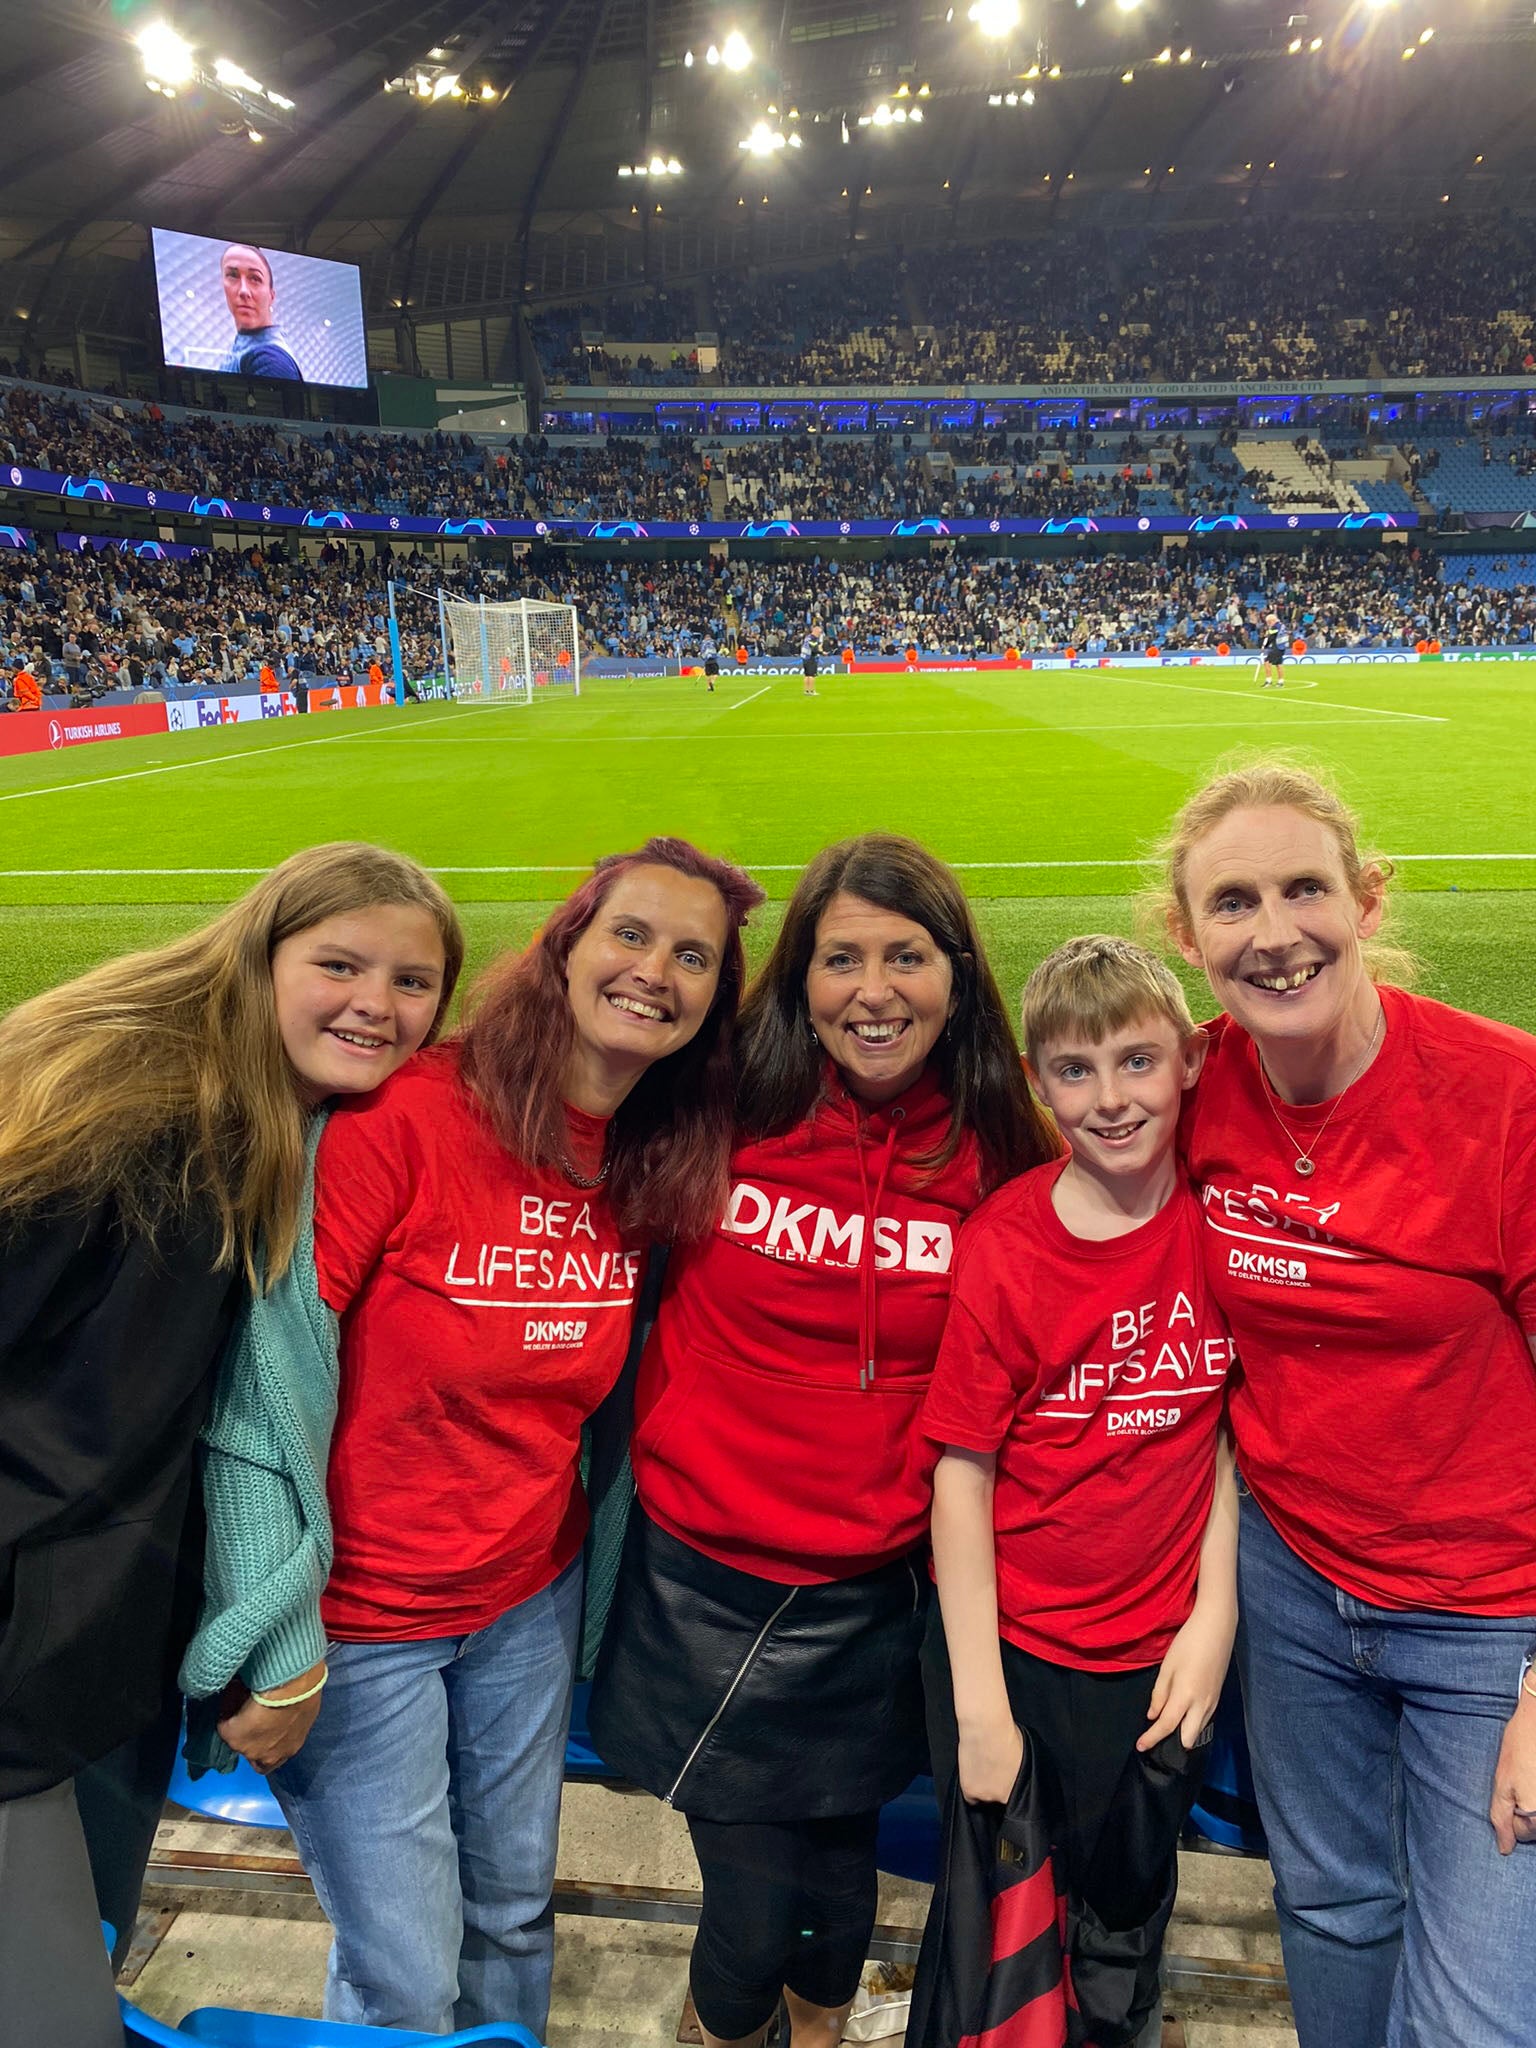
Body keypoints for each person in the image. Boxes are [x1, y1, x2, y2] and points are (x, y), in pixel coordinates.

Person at [268, 838, 764, 2037]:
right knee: (403, 1969)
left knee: (511, 1912)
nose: (656, 971)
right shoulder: (410, 1115)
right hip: (362, 1617)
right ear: (567, 945)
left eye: (693, 955)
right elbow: (268, 1375)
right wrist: (272, 1627)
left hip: (524, 1602)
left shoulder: (652, 1154)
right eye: (630, 934)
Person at [591, 833, 1058, 2048]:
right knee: (753, 1919)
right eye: (841, 957)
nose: (874, 989)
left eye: (907, 955)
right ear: (799, 979)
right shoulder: (716, 1104)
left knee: (841, 1903)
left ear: (956, 975)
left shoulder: (1005, 1146)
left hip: (873, 1598)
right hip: (703, 1586)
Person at [0, 843, 463, 2048]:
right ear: (260, 956)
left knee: (84, 1953)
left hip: (102, 1647)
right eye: (340, 965)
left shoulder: (261, 1123)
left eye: (414, 982)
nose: (377, 1003)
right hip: (28, 1664)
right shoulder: (132, 1115)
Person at [1163, 762, 1536, 2047]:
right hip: (1294, 1584)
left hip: (1491, 1618)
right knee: (1330, 1910)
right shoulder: (1195, 1083)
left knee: (1478, 2017)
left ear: (1367, 900)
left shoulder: (1505, 1096)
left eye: (1305, 888)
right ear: (1188, 934)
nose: (1274, 932)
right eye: (1233, 902)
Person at [923, 936, 1237, 2048]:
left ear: (1190, 1060)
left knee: (1125, 1924)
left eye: (1137, 1061)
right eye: (1075, 1069)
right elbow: (960, 1474)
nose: (1110, 1098)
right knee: (1002, 1944)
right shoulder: (1007, 1246)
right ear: (1037, 1079)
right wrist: (980, 1705)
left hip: (1160, 1662)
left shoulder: (1221, 1219)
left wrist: (1213, 1614)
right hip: (1018, 1657)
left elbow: (1226, 1432)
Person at [218, 245, 303, 382]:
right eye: (233, 275)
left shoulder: (270, 362)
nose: (244, 291)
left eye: (255, 279)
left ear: (271, 296)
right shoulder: (245, 345)